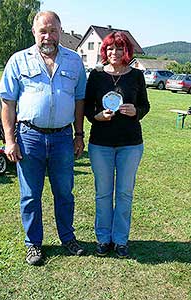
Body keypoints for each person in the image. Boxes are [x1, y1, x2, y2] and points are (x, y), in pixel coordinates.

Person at [0, 11, 87, 265]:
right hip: (28, 138)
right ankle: (33, 244)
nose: (48, 36)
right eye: (43, 31)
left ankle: (67, 238)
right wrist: (10, 140)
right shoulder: (18, 60)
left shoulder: (74, 61)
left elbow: (80, 100)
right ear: (34, 33)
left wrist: (79, 134)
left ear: (61, 31)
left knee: (64, 193)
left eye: (53, 30)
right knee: (29, 195)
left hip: (62, 139)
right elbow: (7, 103)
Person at [84, 31, 150, 258]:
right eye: (111, 48)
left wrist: (136, 111)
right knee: (103, 194)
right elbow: (87, 110)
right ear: (105, 51)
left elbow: (145, 106)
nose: (115, 52)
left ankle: (120, 240)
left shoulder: (137, 76)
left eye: (119, 48)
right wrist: (98, 116)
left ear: (126, 51)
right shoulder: (96, 75)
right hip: (100, 144)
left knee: (124, 193)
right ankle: (103, 239)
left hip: (130, 144)